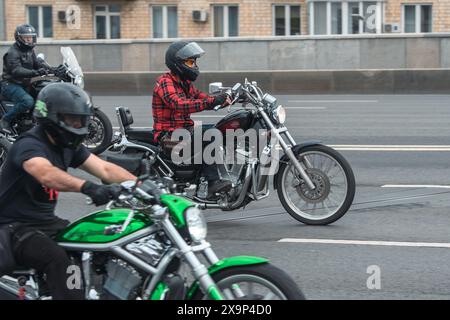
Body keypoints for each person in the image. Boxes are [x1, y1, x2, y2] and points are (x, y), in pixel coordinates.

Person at [0, 83, 137, 299]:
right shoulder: (29, 145)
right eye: (72, 119)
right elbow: (45, 173)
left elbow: (104, 168)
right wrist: (87, 187)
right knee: (57, 257)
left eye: (80, 119)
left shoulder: (66, 146)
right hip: (13, 227)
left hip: (46, 223)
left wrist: (141, 186)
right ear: (51, 118)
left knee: (95, 239)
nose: (78, 124)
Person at [152, 41, 232, 198]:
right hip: (169, 136)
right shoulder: (165, 82)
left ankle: (216, 172)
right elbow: (179, 104)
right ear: (177, 63)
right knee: (210, 133)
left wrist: (227, 98)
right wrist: (212, 101)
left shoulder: (185, 83)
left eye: (194, 61)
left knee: (221, 129)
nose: (194, 65)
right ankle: (212, 183)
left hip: (184, 132)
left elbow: (203, 98)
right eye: (190, 62)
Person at [0, 24, 52, 132]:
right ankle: (5, 120)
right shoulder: (12, 52)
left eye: (31, 37)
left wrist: (54, 69)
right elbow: (16, 70)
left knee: (42, 96)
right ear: (19, 38)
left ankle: (33, 121)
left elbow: (37, 63)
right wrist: (35, 72)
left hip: (24, 83)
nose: (29, 40)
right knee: (28, 101)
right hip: (10, 84)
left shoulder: (29, 50)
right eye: (26, 37)